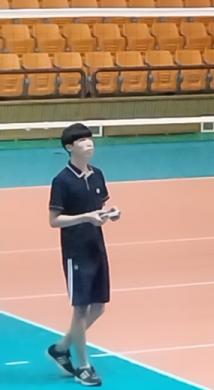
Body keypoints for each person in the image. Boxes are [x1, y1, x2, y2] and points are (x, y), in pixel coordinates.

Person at [47, 123, 121, 387]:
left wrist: (109, 214)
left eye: (90, 139)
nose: (89, 143)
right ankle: (84, 366)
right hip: (75, 251)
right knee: (80, 309)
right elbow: (54, 221)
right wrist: (85, 217)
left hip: (96, 246)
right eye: (82, 141)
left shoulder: (98, 174)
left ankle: (61, 347)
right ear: (70, 147)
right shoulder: (62, 181)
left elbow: (98, 210)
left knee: (99, 307)